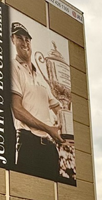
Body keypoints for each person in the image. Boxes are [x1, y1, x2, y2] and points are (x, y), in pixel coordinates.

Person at [10, 21, 67, 181]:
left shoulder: (40, 74)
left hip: (49, 146)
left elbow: (57, 107)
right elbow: (17, 110)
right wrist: (49, 128)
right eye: (19, 38)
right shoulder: (12, 67)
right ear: (12, 40)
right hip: (28, 143)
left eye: (27, 39)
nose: (24, 42)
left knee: (52, 197)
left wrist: (64, 122)